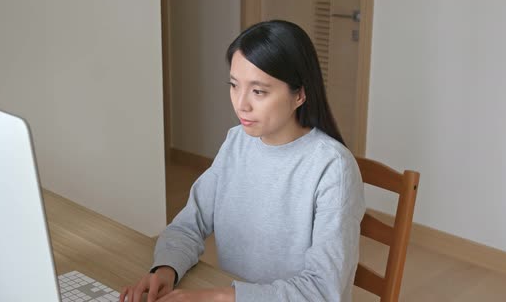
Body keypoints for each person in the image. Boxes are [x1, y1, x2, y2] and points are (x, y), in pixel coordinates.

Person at [120, 20, 365, 302]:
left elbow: (322, 290)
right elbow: (190, 223)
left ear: (299, 94)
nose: (241, 104)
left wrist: (217, 298)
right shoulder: (237, 141)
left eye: (258, 91)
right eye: (235, 86)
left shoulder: (333, 167)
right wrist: (165, 269)